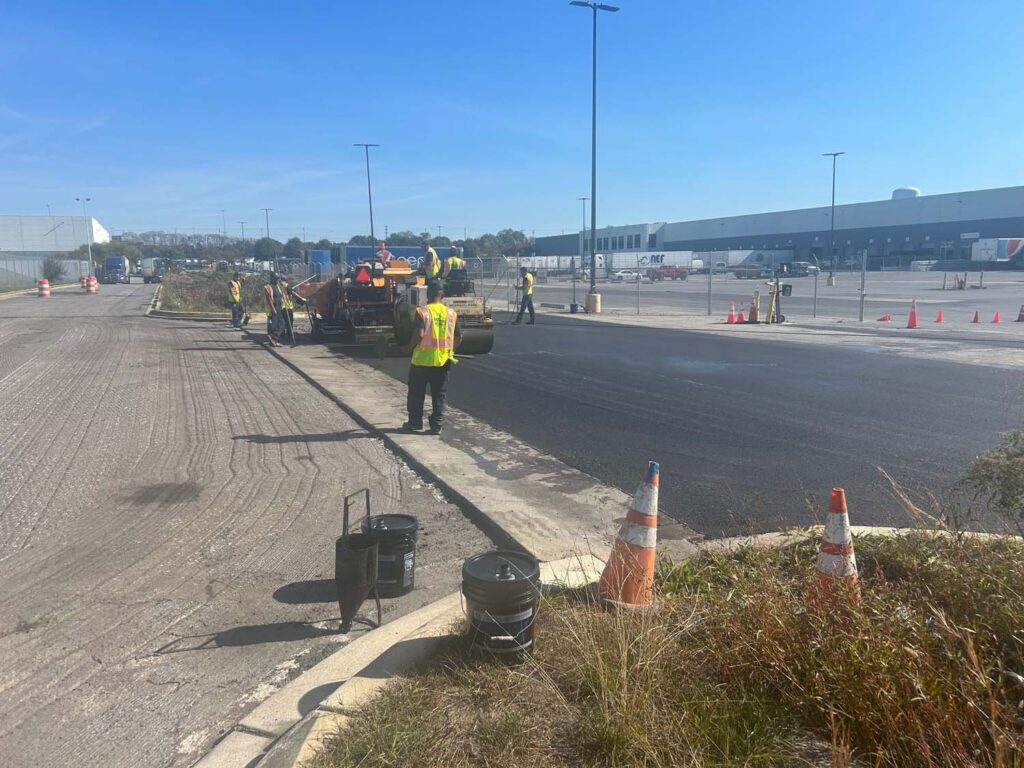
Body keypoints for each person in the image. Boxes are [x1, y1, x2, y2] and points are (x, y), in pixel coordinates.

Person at [403, 281, 461, 435]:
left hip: (422, 361)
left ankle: (415, 423)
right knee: (439, 394)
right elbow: (458, 337)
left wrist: (409, 348)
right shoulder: (451, 314)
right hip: (443, 362)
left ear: (428, 295)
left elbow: (419, 334)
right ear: (442, 295)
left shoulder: (423, 312)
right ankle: (436, 425)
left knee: (416, 392)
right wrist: (450, 351)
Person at [263, 273, 282, 347]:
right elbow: (269, 299)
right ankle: (273, 338)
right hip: (273, 308)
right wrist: (273, 309)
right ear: (272, 279)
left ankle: (274, 340)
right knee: (275, 325)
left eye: (278, 279)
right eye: (276, 279)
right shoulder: (268, 287)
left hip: (279, 308)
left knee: (280, 323)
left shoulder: (277, 286)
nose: (277, 280)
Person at [278, 275, 295, 345]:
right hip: (288, 307)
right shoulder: (288, 287)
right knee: (289, 323)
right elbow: (291, 297)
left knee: (283, 322)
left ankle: (282, 335)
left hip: (282, 307)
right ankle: (289, 336)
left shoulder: (280, 287)